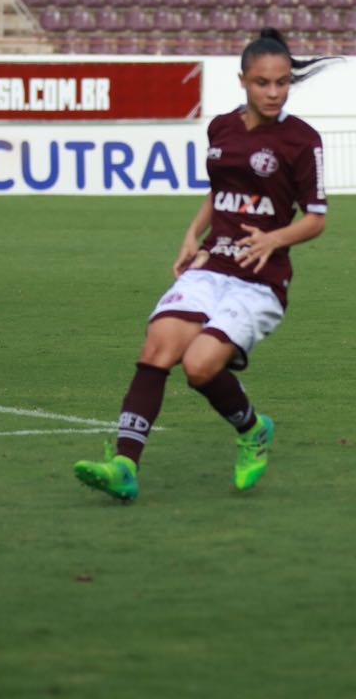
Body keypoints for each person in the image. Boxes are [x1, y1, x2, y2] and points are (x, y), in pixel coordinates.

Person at [73, 28, 333, 502]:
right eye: (262, 83)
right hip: (212, 265)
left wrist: (275, 237)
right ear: (242, 81)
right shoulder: (221, 128)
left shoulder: (301, 140)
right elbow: (219, 191)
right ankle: (124, 465)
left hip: (260, 281)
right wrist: (192, 234)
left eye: (281, 83)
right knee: (157, 348)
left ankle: (252, 430)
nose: (273, 92)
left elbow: (316, 219)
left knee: (198, 367)